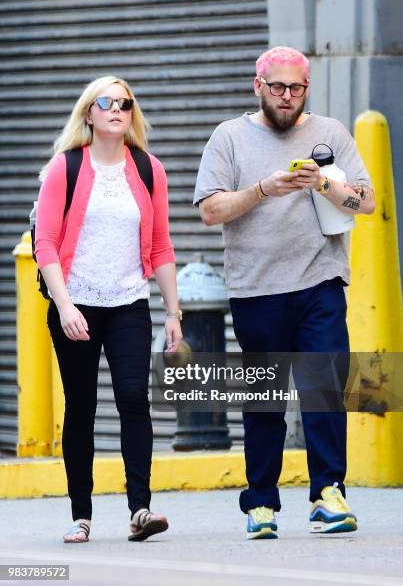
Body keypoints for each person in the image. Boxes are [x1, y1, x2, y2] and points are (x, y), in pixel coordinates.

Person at [194, 46, 375, 539]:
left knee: (324, 391)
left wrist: (326, 186)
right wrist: (262, 190)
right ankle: (261, 502)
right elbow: (209, 210)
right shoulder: (229, 137)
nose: (287, 96)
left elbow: (367, 201)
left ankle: (327, 493)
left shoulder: (332, 133)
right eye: (277, 87)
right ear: (258, 85)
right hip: (257, 288)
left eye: (296, 88)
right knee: (265, 399)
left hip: (321, 281)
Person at [35, 75, 183, 543]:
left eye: (125, 103)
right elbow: (47, 244)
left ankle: (140, 509)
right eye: (106, 102)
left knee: (133, 399)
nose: (117, 109)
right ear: (89, 113)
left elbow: (160, 245)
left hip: (128, 304)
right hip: (75, 303)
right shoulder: (66, 167)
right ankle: (81, 514)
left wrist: (174, 312)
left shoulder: (147, 168)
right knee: (81, 407)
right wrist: (64, 305)